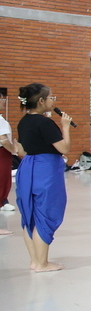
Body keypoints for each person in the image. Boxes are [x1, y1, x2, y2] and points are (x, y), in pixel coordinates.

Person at [14, 83, 70, 270]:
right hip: (46, 170)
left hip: (27, 167)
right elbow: (64, 148)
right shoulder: (45, 123)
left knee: (30, 214)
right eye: (51, 97)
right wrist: (65, 127)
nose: (53, 100)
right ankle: (42, 263)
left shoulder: (23, 121)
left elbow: (21, 150)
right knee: (46, 214)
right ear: (41, 101)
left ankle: (34, 261)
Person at [0, 89, 16, 232]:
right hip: (2, 153)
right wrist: (13, 149)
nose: (3, 102)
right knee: (3, 181)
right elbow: (4, 140)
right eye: (2, 99)